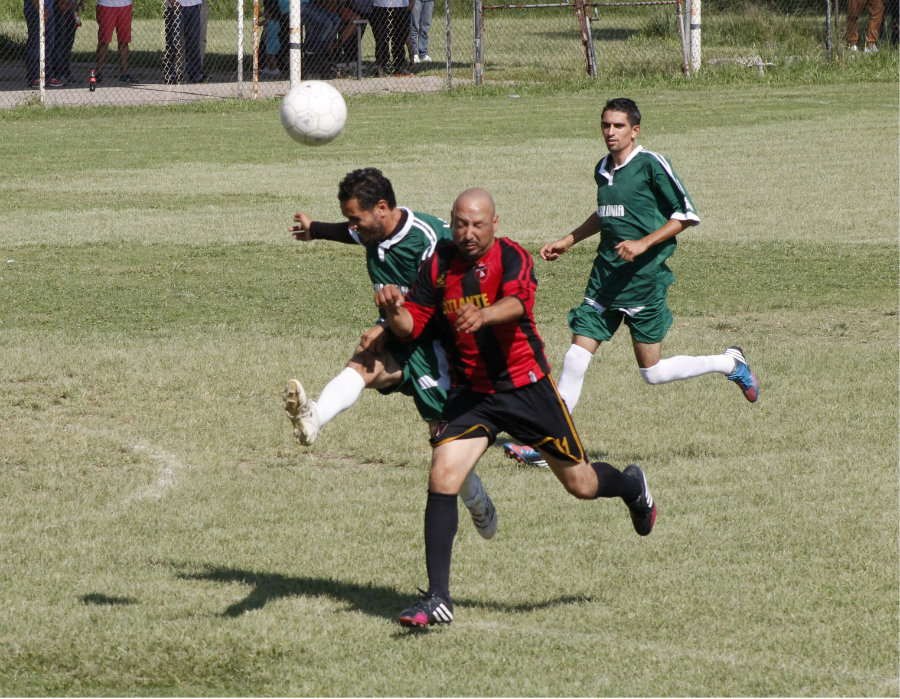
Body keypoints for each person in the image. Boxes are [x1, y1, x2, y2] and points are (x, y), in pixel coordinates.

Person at [373, 188, 656, 628]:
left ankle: (631, 486)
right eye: (460, 224)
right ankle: (438, 599)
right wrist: (393, 312)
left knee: (581, 484)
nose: (468, 234)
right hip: (472, 396)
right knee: (443, 475)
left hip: (526, 389)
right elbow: (413, 324)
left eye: (477, 225)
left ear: (495, 224)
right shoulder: (439, 263)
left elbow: (519, 302)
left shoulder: (511, 257)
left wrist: (482, 316)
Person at [503, 98, 759, 469]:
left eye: (618, 126)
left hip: (644, 282)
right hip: (605, 279)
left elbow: (686, 215)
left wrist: (643, 243)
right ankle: (551, 446)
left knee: (652, 372)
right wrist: (570, 239)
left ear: (635, 130)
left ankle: (729, 362)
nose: (610, 132)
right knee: (575, 358)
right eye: (605, 125)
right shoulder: (603, 169)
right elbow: (605, 213)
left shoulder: (651, 164)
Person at [282, 168, 499, 542]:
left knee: (444, 442)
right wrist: (314, 228)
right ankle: (314, 418)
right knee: (364, 360)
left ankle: (477, 500)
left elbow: (442, 295)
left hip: (440, 347)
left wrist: (384, 326)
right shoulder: (372, 229)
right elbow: (350, 233)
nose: (353, 227)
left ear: (382, 208)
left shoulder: (431, 239)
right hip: (403, 334)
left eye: (357, 218)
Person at [164, 0, 207, 84]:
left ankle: (195, 73)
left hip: (194, 5)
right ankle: (171, 73)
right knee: (173, 40)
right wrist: (172, 2)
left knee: (193, 40)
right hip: (175, 5)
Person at [24, 0, 64, 88]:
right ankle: (33, 77)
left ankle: (47, 76)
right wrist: (39, 7)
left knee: (49, 44)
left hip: (48, 9)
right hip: (35, 10)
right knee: (35, 44)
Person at [93, 0, 132, 83]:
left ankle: (125, 73)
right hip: (106, 4)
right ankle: (99, 72)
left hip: (125, 5)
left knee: (124, 41)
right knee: (104, 41)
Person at [370, 0, 412, 75]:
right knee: (381, 38)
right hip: (381, 6)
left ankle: (399, 66)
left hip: (401, 6)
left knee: (400, 38)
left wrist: (412, 2)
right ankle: (380, 66)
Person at [52, 0, 83, 84]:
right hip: (61, 7)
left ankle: (66, 71)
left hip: (73, 7)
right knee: (60, 42)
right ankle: (59, 73)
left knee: (68, 43)